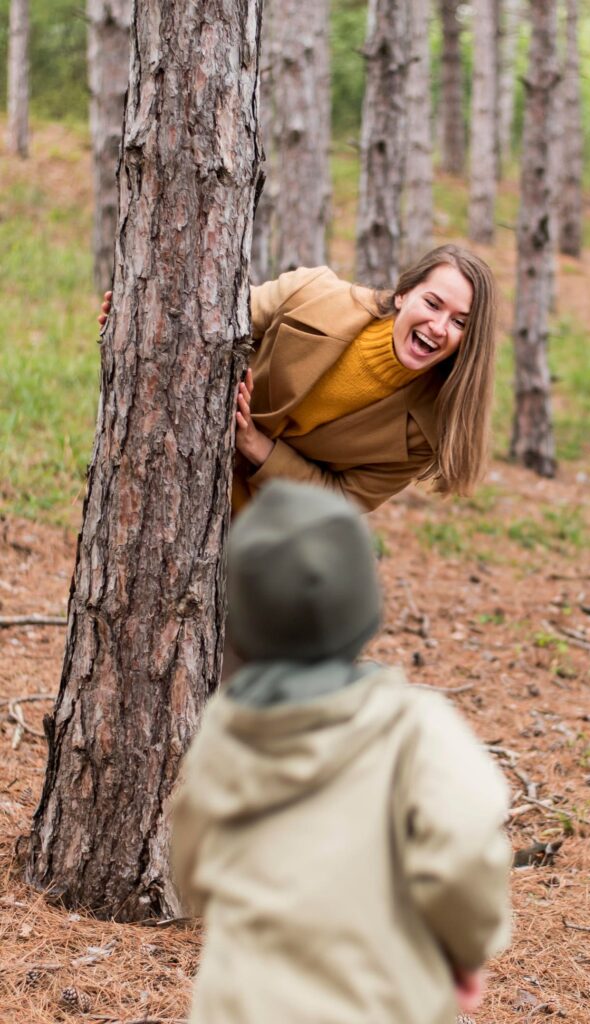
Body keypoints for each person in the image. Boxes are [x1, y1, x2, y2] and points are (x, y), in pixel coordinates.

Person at [170, 479, 512, 1024]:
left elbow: (192, 857)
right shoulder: (414, 727)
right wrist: (467, 948)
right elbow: (465, 848)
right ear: (364, 604)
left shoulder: (224, 732)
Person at [98, 244, 497, 514]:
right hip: (171, 475)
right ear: (403, 294)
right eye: (432, 303)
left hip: (270, 530)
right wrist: (141, 321)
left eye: (460, 322)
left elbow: (341, 502)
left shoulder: (425, 432)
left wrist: (258, 446)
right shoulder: (312, 293)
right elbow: (214, 324)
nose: (439, 327)